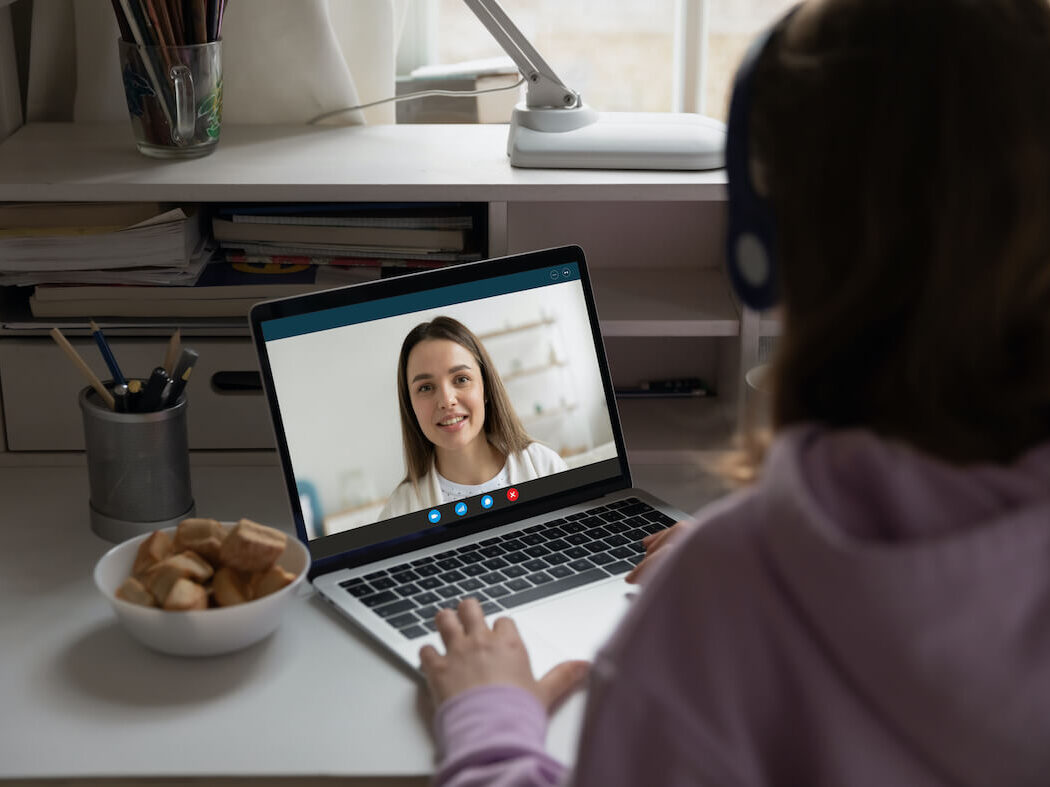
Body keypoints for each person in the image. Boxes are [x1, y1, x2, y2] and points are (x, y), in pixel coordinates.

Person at [415, 0, 1050, 785]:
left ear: (763, 245)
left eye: (460, 375)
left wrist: (489, 721)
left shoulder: (716, 603)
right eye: (425, 386)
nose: (447, 398)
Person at [380, 316, 567, 518]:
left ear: (486, 388)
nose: (446, 400)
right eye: (425, 387)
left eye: (461, 379)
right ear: (410, 405)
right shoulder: (399, 510)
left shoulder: (543, 465)